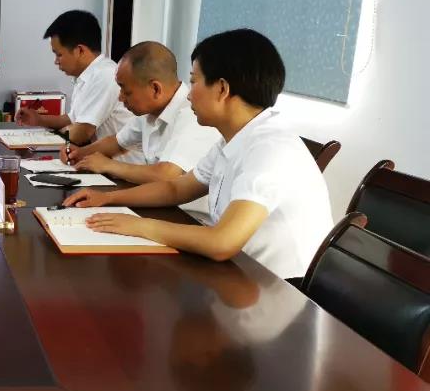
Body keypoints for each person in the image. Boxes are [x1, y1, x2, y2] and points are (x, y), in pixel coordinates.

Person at [62, 29, 333, 281]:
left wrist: (139, 226)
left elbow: (222, 241)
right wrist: (107, 198)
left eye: (194, 81)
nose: (189, 94)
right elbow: (175, 189)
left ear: (222, 89)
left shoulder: (269, 148)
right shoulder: (232, 140)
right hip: (242, 274)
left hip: (281, 290)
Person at [61, 41, 219, 186]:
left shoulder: (192, 114)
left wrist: (109, 165)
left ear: (155, 89)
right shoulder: (149, 111)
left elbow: (166, 175)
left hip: (181, 207)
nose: (120, 97)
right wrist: (79, 153)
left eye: (126, 91)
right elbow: (118, 143)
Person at [16, 10, 142, 162]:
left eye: (59, 54)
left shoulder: (105, 75)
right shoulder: (86, 75)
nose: (56, 61)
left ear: (80, 50)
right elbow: (72, 119)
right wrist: (39, 119)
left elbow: (81, 133)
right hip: (102, 163)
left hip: (123, 168)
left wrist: (34, 139)